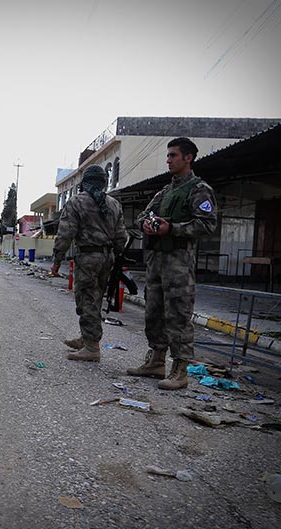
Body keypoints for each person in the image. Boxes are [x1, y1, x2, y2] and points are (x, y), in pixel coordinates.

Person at [127, 137, 217, 389]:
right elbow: (142, 216)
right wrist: (147, 223)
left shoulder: (199, 189)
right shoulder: (165, 192)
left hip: (179, 263)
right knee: (153, 312)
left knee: (178, 315)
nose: (168, 160)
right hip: (156, 261)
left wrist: (172, 228)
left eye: (173, 155)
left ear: (188, 158)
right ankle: (156, 362)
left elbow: (207, 224)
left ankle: (180, 370)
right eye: (168, 156)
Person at [51, 164, 128, 362]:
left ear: (85, 182)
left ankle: (92, 347)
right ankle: (86, 338)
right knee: (96, 299)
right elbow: (121, 236)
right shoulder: (114, 204)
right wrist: (117, 257)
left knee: (87, 300)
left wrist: (57, 260)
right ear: (103, 182)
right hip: (107, 258)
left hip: (87, 258)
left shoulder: (77, 201)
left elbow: (65, 233)